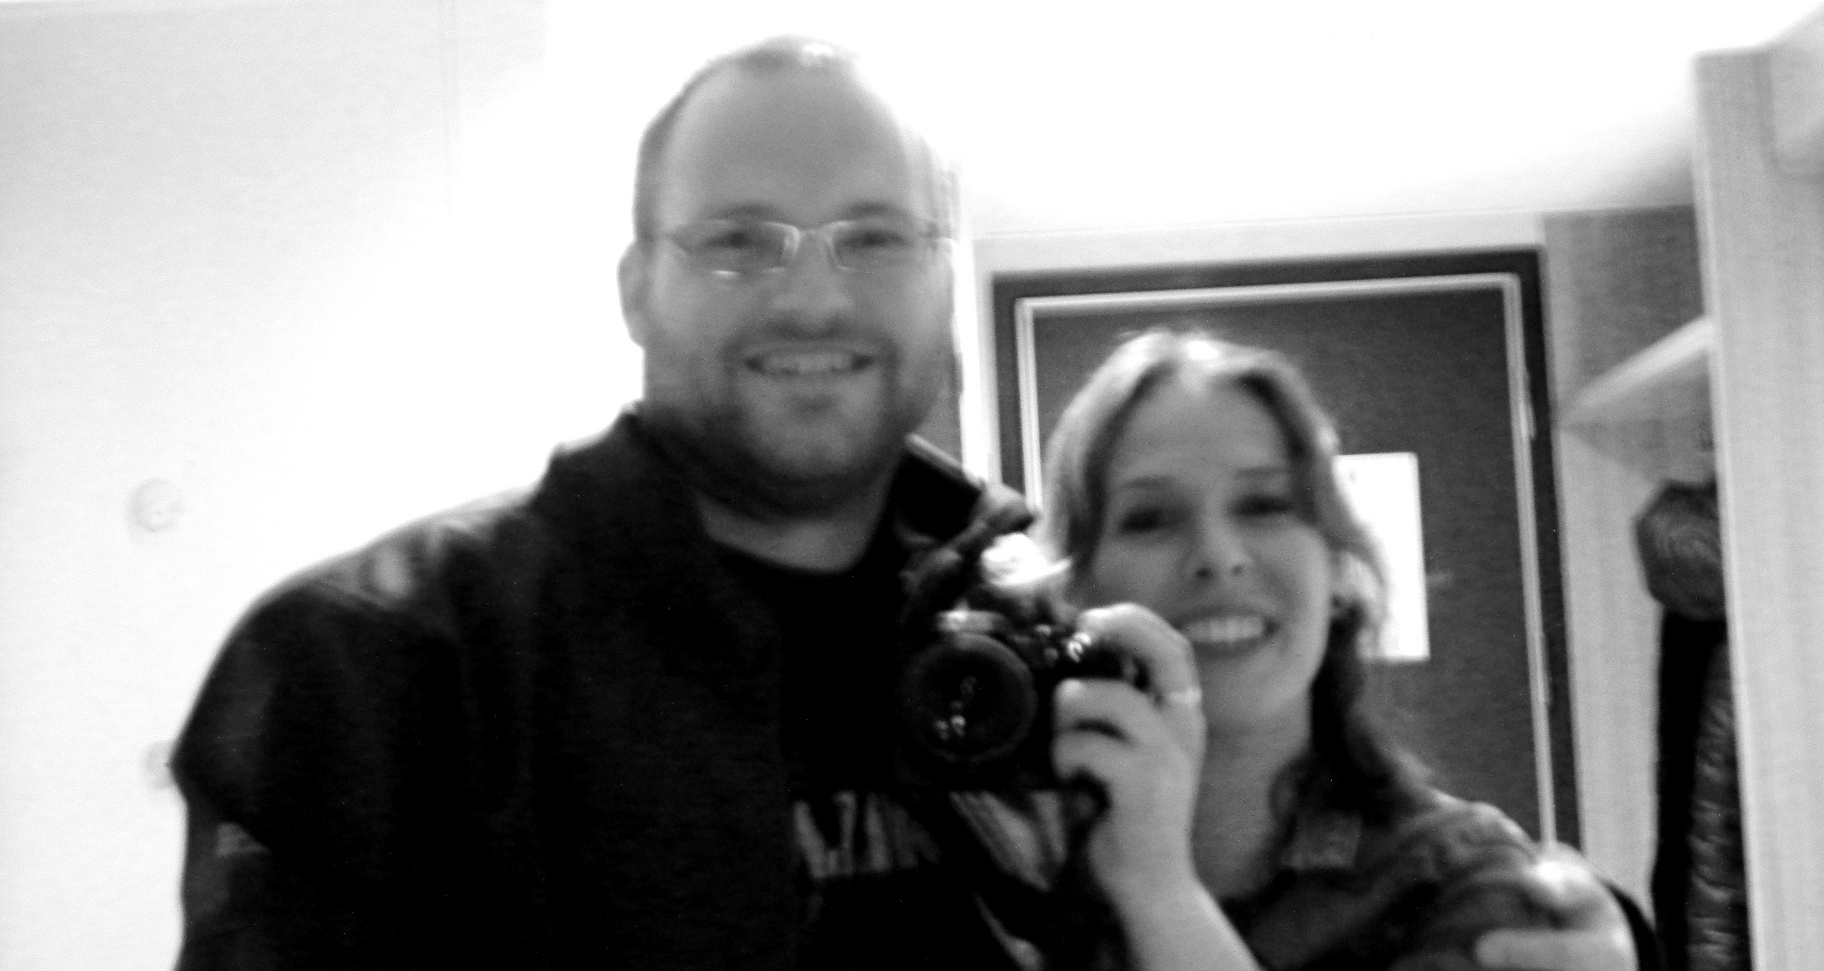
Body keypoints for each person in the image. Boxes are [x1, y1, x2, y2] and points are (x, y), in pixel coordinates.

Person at [169, 35, 1648, 971]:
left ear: (946, 285)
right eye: (741, 240)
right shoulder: (384, 665)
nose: (813, 292)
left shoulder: (1014, 634)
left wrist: (1590, 923)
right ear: (636, 288)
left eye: (874, 238)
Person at [976, 328, 1646, 970]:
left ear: (1337, 572)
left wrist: (1159, 893)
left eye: (1265, 504)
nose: (1219, 555)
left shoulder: (1459, 880)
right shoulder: (990, 872)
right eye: (1150, 518)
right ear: (1075, 590)